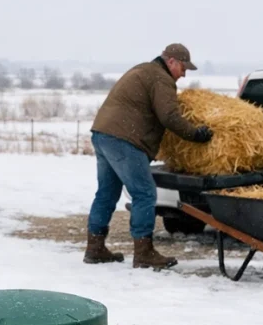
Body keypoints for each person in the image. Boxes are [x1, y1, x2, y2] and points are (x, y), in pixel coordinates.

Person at [83, 43, 213, 270]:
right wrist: (196, 135)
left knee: (106, 193)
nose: (183, 74)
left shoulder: (143, 69)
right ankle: (144, 252)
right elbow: (169, 117)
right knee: (144, 193)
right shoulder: (161, 79)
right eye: (183, 67)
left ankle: (95, 247)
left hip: (103, 134)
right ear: (171, 61)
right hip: (124, 140)